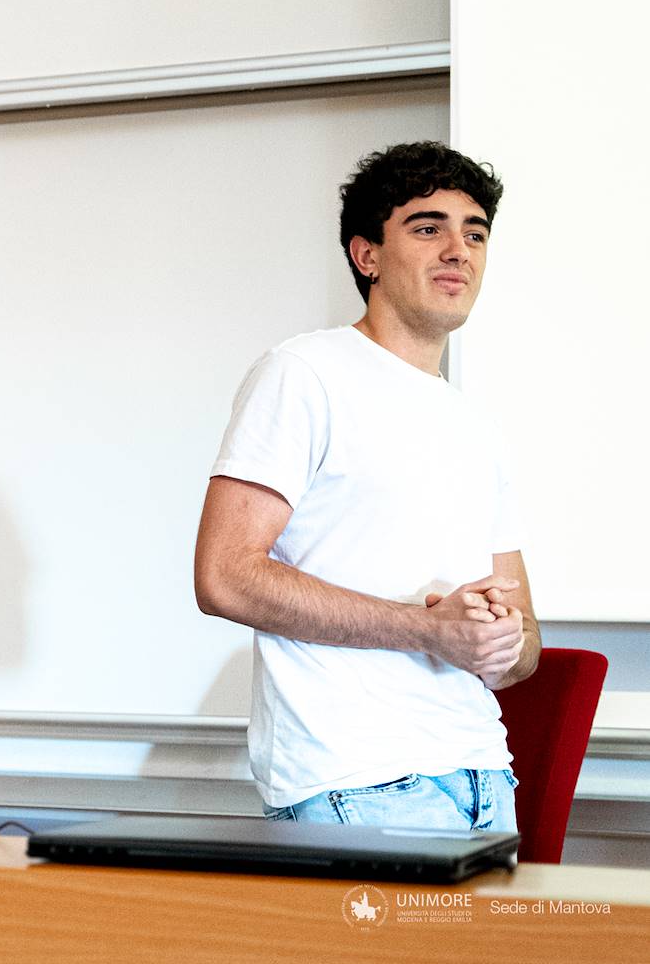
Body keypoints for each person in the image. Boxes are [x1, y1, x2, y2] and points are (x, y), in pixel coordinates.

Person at [192, 141, 540, 832]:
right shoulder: (304, 373)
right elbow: (224, 577)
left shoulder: (477, 425)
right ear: (367, 255)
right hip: (353, 782)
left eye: (475, 233)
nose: (459, 250)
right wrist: (429, 631)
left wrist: (499, 642)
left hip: (483, 779)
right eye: (428, 227)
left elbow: (526, 639)